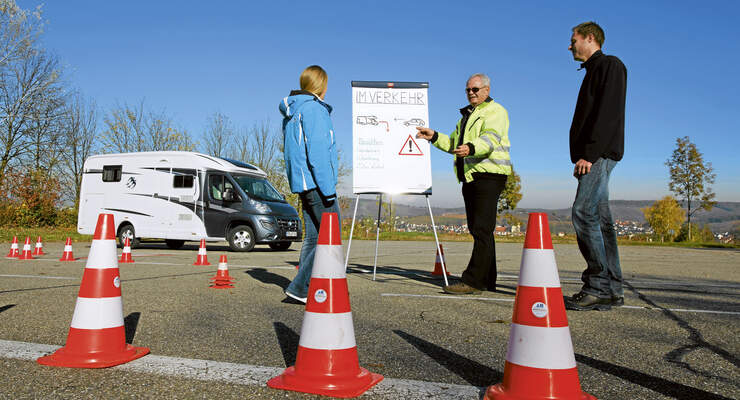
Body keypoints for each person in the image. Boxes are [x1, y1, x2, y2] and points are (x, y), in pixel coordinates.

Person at [416, 73, 512, 295]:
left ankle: (473, 281)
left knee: (481, 229)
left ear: (487, 90)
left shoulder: (495, 111)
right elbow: (454, 144)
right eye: (468, 89)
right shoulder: (466, 117)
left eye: (476, 89)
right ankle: (487, 279)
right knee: (481, 230)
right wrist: (433, 136)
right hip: (471, 176)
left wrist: (471, 147)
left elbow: (490, 138)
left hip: (488, 175)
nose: (471, 93)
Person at [564, 22, 627, 311]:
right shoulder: (593, 71)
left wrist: (588, 154)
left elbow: (607, 113)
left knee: (583, 212)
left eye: (573, 40)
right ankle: (612, 289)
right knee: (601, 220)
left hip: (597, 155)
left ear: (590, 38)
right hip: (595, 154)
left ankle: (598, 285)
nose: (570, 45)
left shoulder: (610, 66)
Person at [279, 65, 339, 304]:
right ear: (321, 85)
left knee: (313, 238)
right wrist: (328, 189)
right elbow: (318, 154)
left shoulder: (294, 111)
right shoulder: (314, 110)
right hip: (317, 184)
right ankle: (301, 287)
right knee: (330, 236)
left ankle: (307, 287)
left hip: (303, 184)